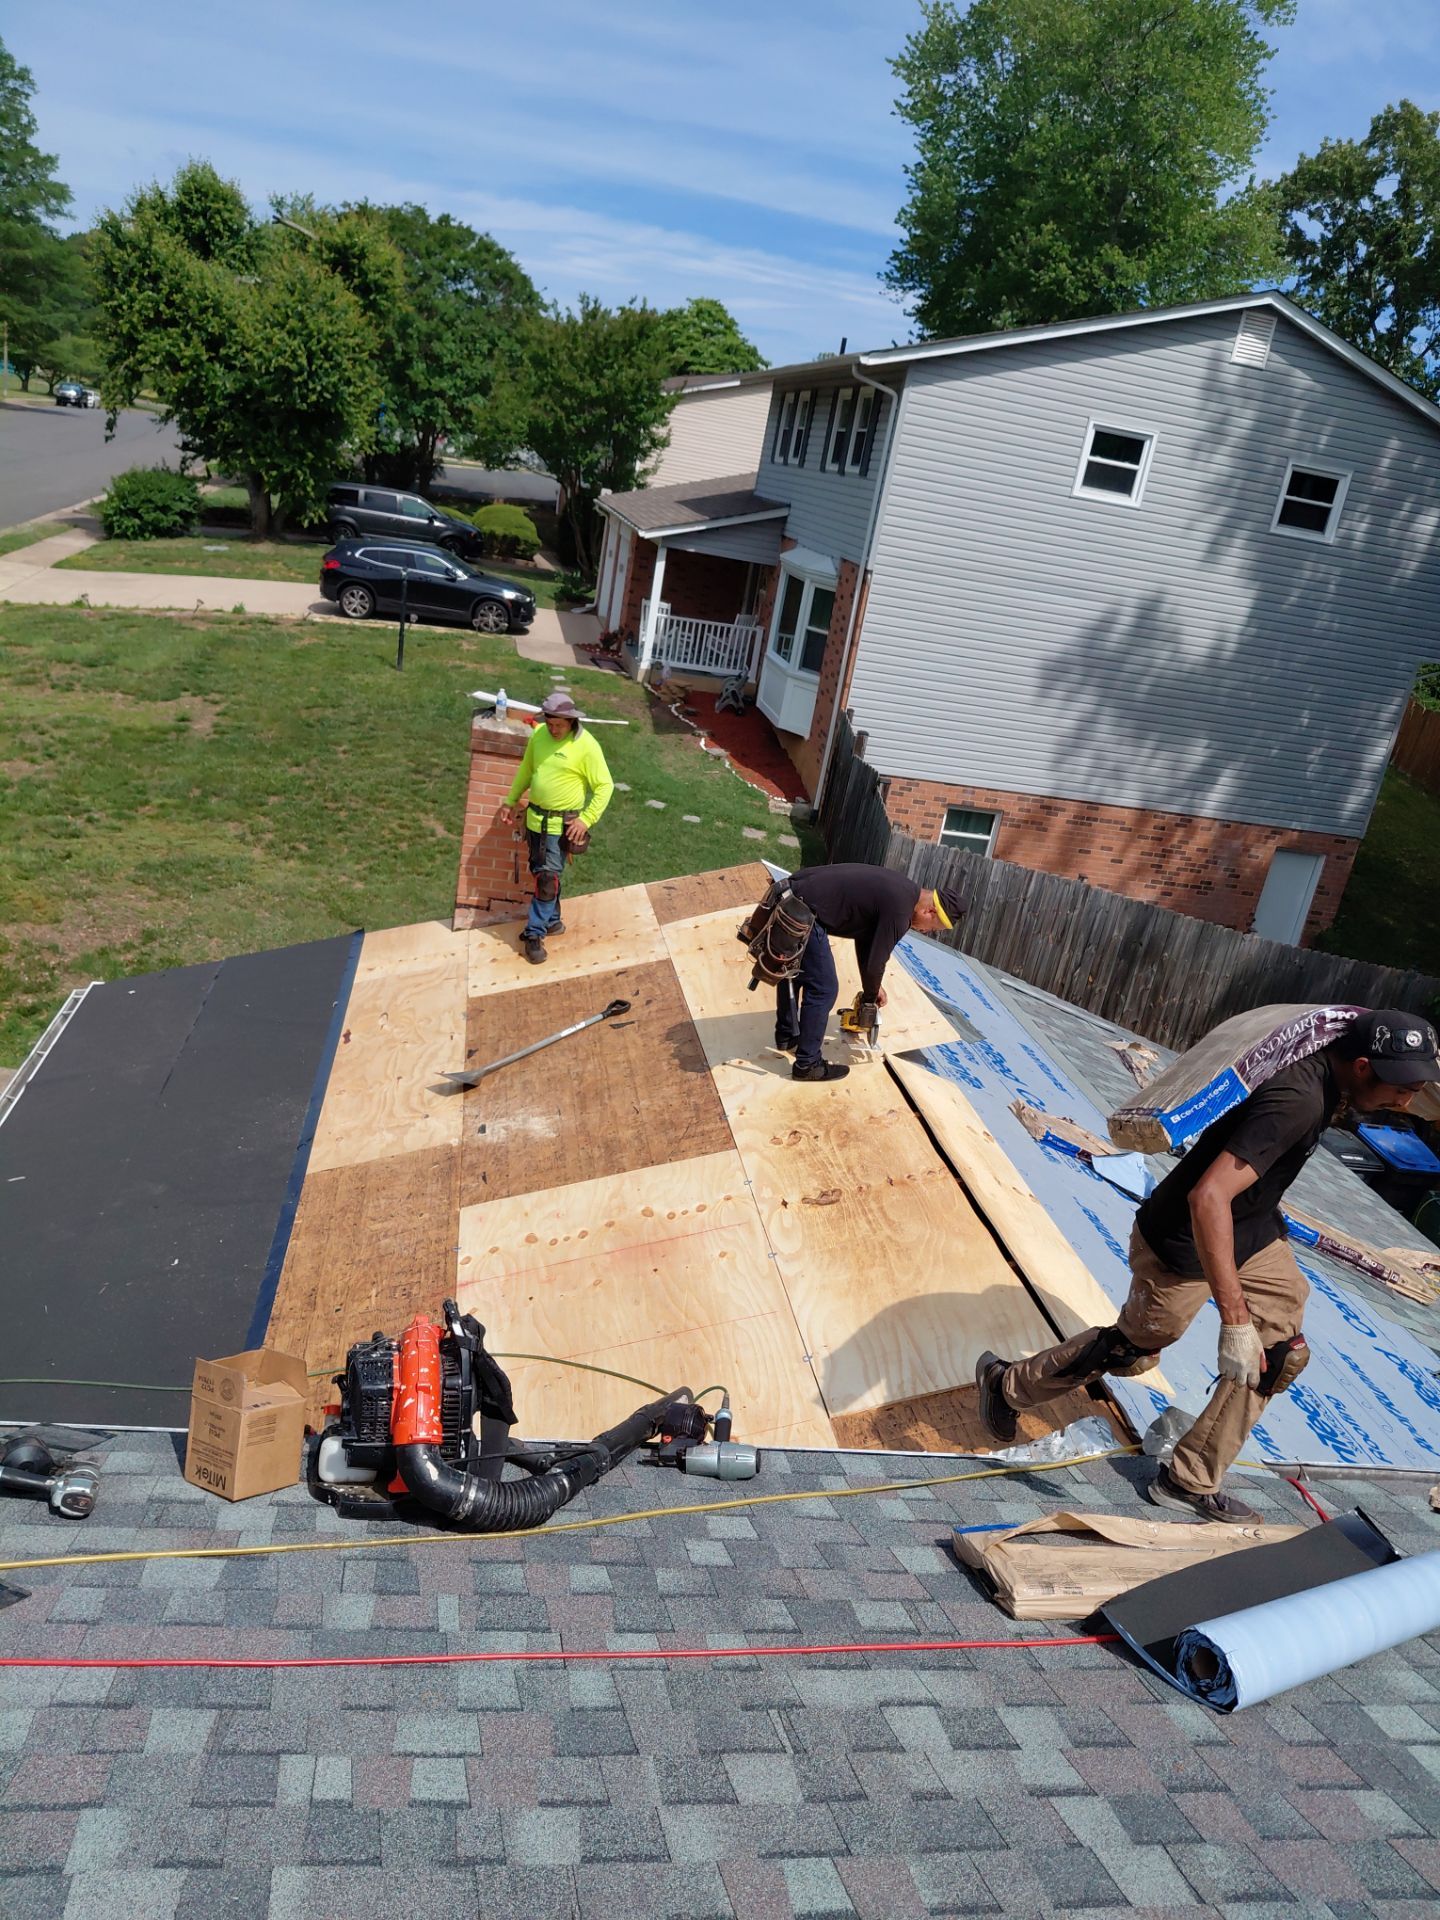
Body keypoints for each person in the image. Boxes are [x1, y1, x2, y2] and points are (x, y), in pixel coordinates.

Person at [976, 1009, 1440, 1523]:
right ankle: (1007, 1384)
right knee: (1134, 1347)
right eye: (1402, 1088)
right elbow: (1208, 1196)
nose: (1407, 1100)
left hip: (1254, 1228)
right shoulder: (1299, 1101)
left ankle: (1190, 1478)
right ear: (1359, 1065)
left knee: (1280, 1351)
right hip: (1184, 1237)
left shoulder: (1328, 1060)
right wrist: (1235, 1321)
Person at [775, 864, 965, 1083]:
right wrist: (869, 999)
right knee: (824, 989)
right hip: (801, 911)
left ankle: (787, 1035)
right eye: (932, 928)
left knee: (797, 971)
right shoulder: (900, 911)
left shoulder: (902, 891)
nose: (925, 931)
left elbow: (867, 942)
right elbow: (876, 964)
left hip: (789, 895)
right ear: (929, 911)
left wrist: (873, 989)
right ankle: (807, 1065)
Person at [497, 692, 614, 965]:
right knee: (541, 874)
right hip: (535, 822)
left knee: (547, 878)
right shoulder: (539, 736)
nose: (553, 729)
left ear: (572, 721)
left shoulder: (586, 745)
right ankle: (553, 921)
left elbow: (605, 786)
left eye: (559, 725)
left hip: (561, 826)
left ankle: (534, 934)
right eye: (550, 724)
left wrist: (586, 819)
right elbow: (527, 769)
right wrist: (510, 801)